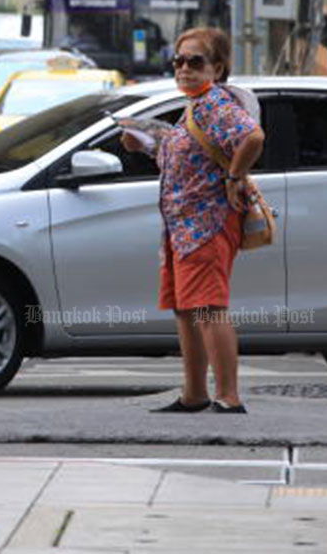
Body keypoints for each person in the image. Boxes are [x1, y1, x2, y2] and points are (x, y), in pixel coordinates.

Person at [120, 26, 264, 415]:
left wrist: (235, 176)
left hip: (207, 225)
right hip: (182, 229)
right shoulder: (194, 108)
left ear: (217, 68)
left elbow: (253, 138)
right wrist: (145, 144)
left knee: (207, 309)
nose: (183, 69)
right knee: (188, 310)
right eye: (178, 61)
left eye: (195, 61)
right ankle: (195, 393)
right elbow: (187, 161)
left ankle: (228, 396)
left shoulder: (215, 104)